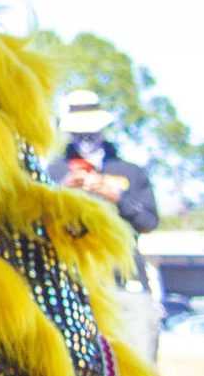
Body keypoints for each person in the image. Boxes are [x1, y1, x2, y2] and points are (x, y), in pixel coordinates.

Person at [52, 89, 160, 359]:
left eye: (90, 131)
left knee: (139, 363)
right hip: (71, 285)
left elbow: (148, 221)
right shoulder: (54, 172)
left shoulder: (129, 172)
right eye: (79, 132)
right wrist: (63, 193)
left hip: (126, 285)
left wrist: (117, 196)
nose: (85, 138)